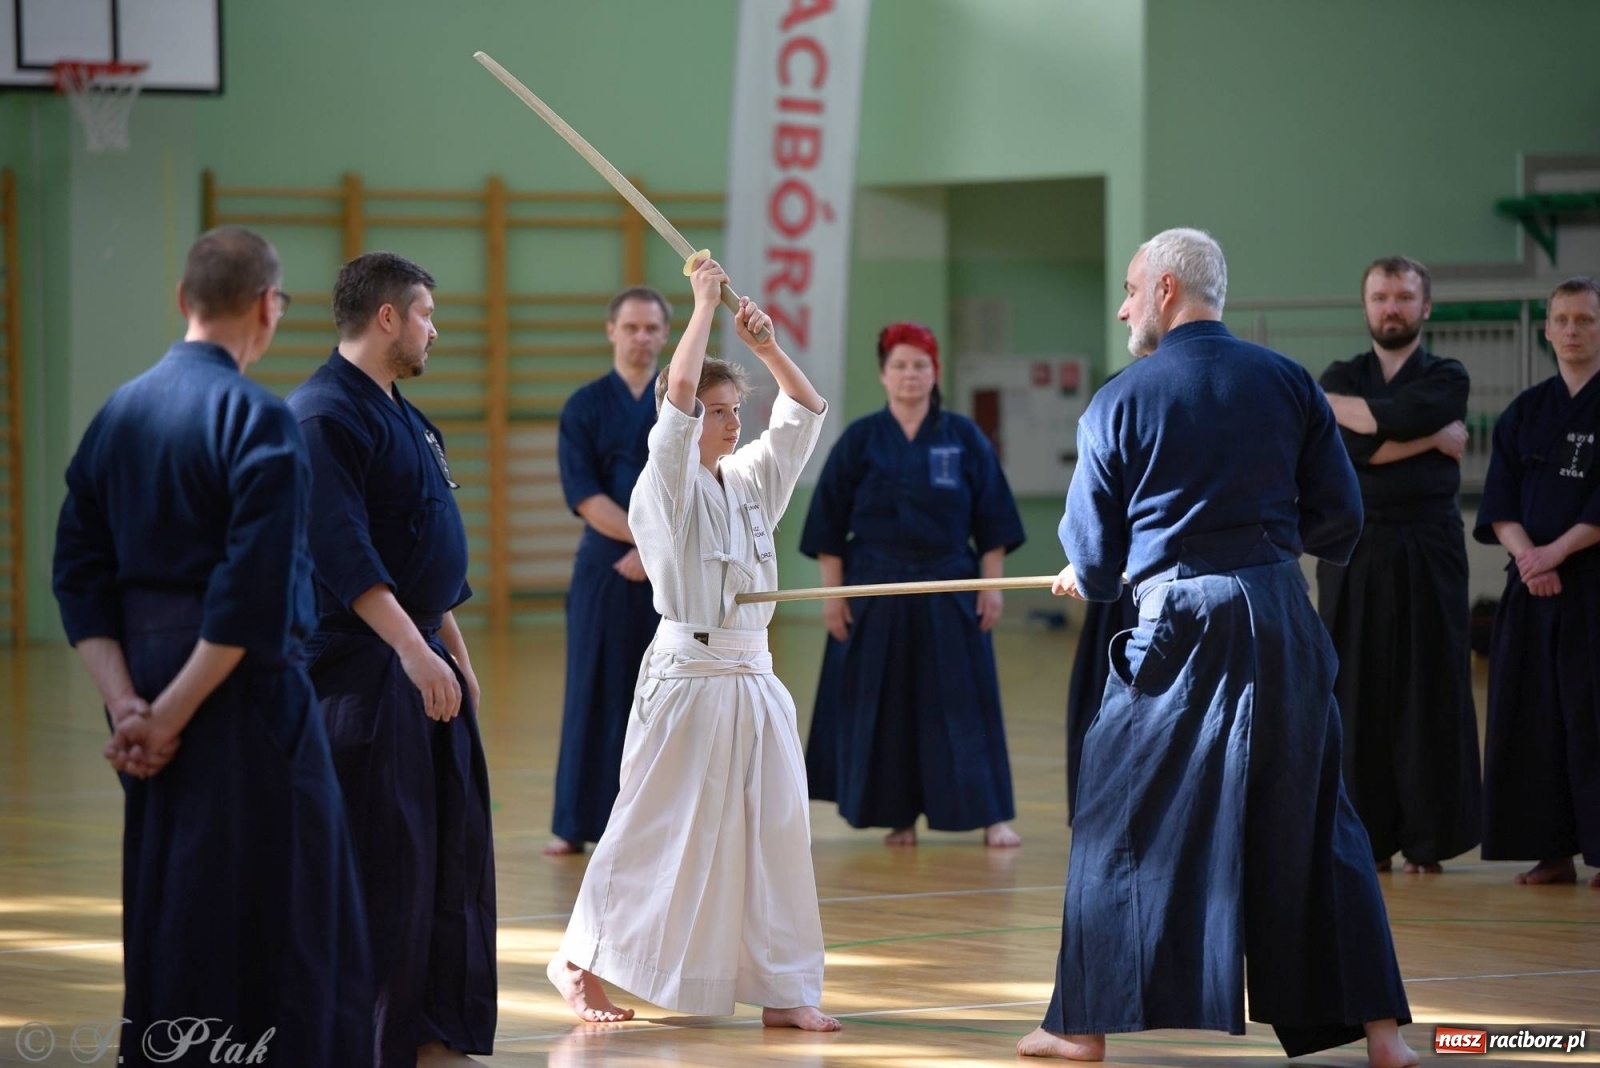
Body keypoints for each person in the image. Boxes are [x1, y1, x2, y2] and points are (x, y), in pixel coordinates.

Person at [1020, 229, 1416, 1067]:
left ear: (1166, 289)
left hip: (1180, 625)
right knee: (1315, 818)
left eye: (1130, 289)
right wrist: (1260, 549)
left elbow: (1094, 562)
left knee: (1115, 817)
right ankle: (1383, 1037)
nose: (1124, 306)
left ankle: (1079, 1026)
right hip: (1281, 617)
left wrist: (1103, 571)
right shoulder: (1289, 383)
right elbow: (1342, 519)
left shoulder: (1119, 400)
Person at [52, 226, 373, 1067]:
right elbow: (252, 589)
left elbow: (78, 573)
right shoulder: (258, 418)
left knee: (176, 897)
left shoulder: (118, 413)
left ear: (181, 301)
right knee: (284, 908)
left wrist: (127, 703)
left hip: (149, 687)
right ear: (269, 308)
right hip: (240, 700)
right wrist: (171, 715)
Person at [548, 257, 839, 1032]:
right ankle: (579, 963)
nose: (731, 422)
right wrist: (703, 304)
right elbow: (673, 400)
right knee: (652, 828)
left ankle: (783, 988)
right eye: (717, 411)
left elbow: (806, 411)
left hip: (753, 677)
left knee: (776, 830)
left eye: (734, 410)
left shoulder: (748, 482)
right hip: (687, 676)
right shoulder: (662, 484)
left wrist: (768, 346)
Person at [286, 252, 496, 1068]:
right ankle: (370, 1039)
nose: (433, 329)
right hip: (360, 679)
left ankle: (429, 1026)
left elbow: (423, 556)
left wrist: (456, 654)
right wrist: (413, 650)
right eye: (426, 314)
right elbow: (345, 554)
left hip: (420, 666)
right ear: (386, 318)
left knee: (444, 856)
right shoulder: (321, 418)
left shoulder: (407, 416)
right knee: (385, 866)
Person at [799, 322, 1025, 848]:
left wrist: (990, 588)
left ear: (935, 373)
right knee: (889, 705)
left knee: (963, 701)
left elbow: (993, 519)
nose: (909, 375)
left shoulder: (963, 437)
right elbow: (828, 524)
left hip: (950, 585)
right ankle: (896, 814)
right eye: (899, 365)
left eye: (920, 365)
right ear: (883, 374)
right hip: (874, 588)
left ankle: (992, 816)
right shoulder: (859, 439)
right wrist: (834, 596)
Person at [1317, 255, 1481, 874]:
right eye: (1382, 297)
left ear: (1425, 307)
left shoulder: (1447, 375)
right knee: (1351, 689)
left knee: (1428, 688)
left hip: (1429, 551)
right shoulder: (1338, 374)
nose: (1392, 308)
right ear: (1365, 306)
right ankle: (1363, 836)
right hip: (1353, 549)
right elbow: (1346, 450)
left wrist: (1375, 431)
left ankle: (1429, 840)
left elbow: (1369, 436)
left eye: (1404, 298)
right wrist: (1430, 440)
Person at [1473, 275, 1600, 890]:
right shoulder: (1525, 410)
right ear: (1547, 328)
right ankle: (1549, 852)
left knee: (1592, 716)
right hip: (1532, 589)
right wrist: (1530, 559)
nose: (1572, 330)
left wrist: (1556, 552)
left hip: (1593, 583)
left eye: (1586, 319)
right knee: (1533, 720)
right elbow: (1499, 501)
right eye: (1563, 320)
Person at [546, 287, 669, 856]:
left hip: (670, 570)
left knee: (664, 694)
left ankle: (657, 823)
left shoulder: (681, 404)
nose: (641, 338)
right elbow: (586, 496)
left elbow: (694, 483)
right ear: (611, 331)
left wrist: (655, 552)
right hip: (604, 563)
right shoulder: (584, 406)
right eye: (632, 327)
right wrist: (642, 541)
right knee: (592, 691)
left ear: (666, 336)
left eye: (652, 328)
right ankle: (575, 822)